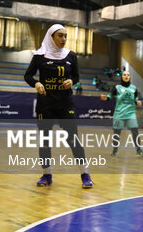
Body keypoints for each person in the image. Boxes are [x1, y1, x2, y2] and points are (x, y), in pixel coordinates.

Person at [24, 24, 93, 188]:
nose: (63, 39)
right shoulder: (39, 56)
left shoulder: (71, 56)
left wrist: (72, 82)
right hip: (45, 105)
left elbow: (76, 76)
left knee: (73, 138)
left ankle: (85, 173)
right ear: (51, 37)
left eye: (65, 36)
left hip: (65, 104)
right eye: (60, 36)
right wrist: (36, 83)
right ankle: (46, 175)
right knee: (45, 141)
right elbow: (27, 75)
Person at [101, 70, 143, 157]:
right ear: (122, 76)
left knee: (135, 132)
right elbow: (109, 96)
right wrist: (105, 98)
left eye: (128, 75)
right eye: (124, 75)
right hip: (119, 114)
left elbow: (136, 100)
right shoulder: (117, 87)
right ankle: (114, 151)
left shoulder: (134, 88)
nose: (126, 76)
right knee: (116, 133)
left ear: (130, 77)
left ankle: (139, 150)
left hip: (130, 114)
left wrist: (138, 102)